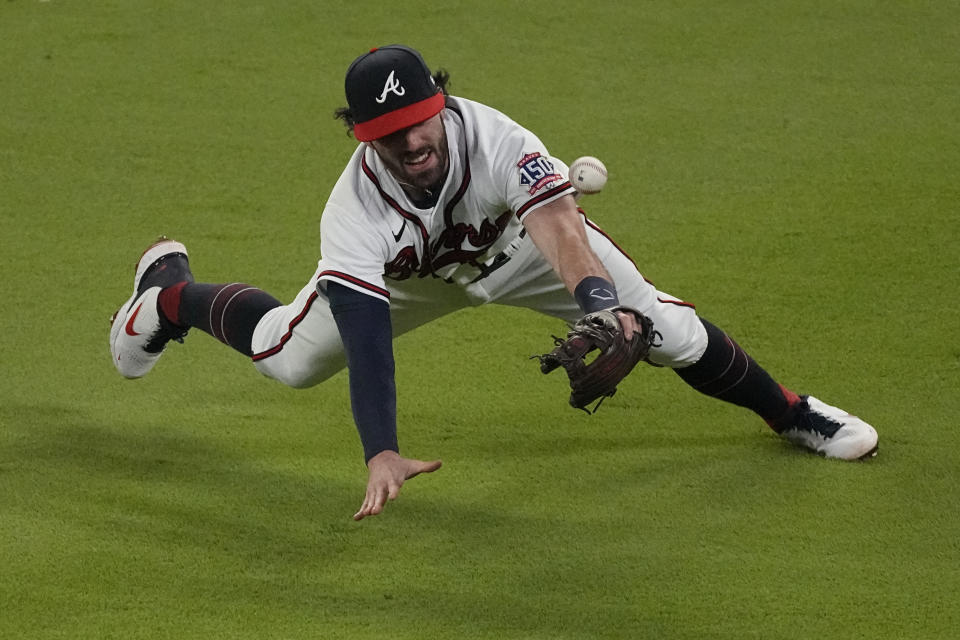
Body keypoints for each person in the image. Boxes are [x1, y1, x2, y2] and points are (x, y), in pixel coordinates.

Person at [109, 45, 878, 521]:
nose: (412, 140)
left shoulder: (498, 138)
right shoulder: (354, 211)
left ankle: (791, 415)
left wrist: (601, 307)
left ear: (438, 104)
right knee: (288, 357)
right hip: (410, 283)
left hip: (524, 254)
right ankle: (169, 292)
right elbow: (369, 337)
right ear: (360, 135)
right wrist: (382, 449)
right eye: (388, 133)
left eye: (420, 120)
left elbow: (562, 231)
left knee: (667, 330)